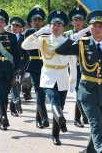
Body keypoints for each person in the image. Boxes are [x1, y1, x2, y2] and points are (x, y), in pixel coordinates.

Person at [55, 10, 102, 153]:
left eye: (100, 26)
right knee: (96, 123)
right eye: (94, 25)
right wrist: (74, 36)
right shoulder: (81, 44)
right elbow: (60, 50)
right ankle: (101, 150)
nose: (97, 28)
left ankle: (89, 150)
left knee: (100, 124)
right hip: (87, 91)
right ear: (89, 27)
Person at [22, 10, 77, 146]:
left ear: (63, 27)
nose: (56, 27)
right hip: (47, 76)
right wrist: (38, 32)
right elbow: (25, 45)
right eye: (54, 24)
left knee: (60, 105)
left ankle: (55, 134)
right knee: (54, 99)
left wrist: (73, 81)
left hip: (63, 76)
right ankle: (60, 118)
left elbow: (73, 64)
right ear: (50, 26)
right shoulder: (43, 39)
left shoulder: (68, 42)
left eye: (59, 24)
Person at [23, 5, 50, 129]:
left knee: (43, 93)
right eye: (35, 20)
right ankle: (44, 117)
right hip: (34, 65)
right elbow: (23, 50)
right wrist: (24, 68)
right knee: (39, 92)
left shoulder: (48, 32)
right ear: (31, 22)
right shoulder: (29, 33)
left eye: (39, 20)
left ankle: (38, 118)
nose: (37, 22)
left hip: (47, 65)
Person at [64, 6, 89, 128]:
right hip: (73, 68)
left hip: (87, 67)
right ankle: (81, 117)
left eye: (80, 19)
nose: (78, 22)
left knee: (84, 93)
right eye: (75, 19)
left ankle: (80, 117)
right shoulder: (67, 34)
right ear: (72, 21)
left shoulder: (88, 33)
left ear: (83, 21)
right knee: (79, 92)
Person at [8, 16, 27, 117]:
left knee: (17, 87)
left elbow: (27, 54)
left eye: (17, 26)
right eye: (13, 25)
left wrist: (27, 69)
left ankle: (14, 106)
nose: (14, 27)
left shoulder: (24, 38)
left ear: (21, 28)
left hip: (20, 67)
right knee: (11, 87)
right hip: (8, 66)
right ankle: (14, 103)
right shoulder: (6, 37)